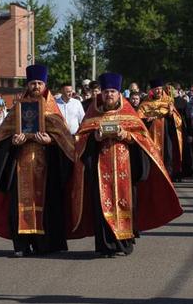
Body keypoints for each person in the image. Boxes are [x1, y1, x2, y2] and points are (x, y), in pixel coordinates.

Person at [70, 73, 182, 257]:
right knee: (102, 204)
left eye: (113, 91)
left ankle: (124, 241)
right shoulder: (92, 112)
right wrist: (95, 138)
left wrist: (127, 136)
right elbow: (81, 139)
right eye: (106, 92)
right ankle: (106, 245)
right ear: (102, 94)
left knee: (127, 202)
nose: (109, 95)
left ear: (119, 93)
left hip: (126, 168)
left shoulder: (128, 112)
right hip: (100, 169)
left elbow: (142, 138)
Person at [0, 64, 76, 257]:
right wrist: (13, 142)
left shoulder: (53, 111)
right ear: (28, 85)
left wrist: (51, 140)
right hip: (20, 166)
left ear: (45, 85)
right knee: (18, 204)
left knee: (49, 204)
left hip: (47, 166)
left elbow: (65, 140)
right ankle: (21, 245)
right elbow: (2, 136)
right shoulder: (17, 110)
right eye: (33, 83)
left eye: (39, 83)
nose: (36, 86)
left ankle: (46, 244)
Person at [138, 79, 183, 179]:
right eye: (156, 89)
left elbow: (178, 120)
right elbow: (139, 118)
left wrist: (171, 114)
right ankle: (153, 176)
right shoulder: (145, 103)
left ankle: (168, 176)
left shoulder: (168, 101)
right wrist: (147, 119)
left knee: (168, 155)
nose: (158, 91)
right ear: (152, 90)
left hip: (166, 133)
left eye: (160, 89)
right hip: (151, 133)